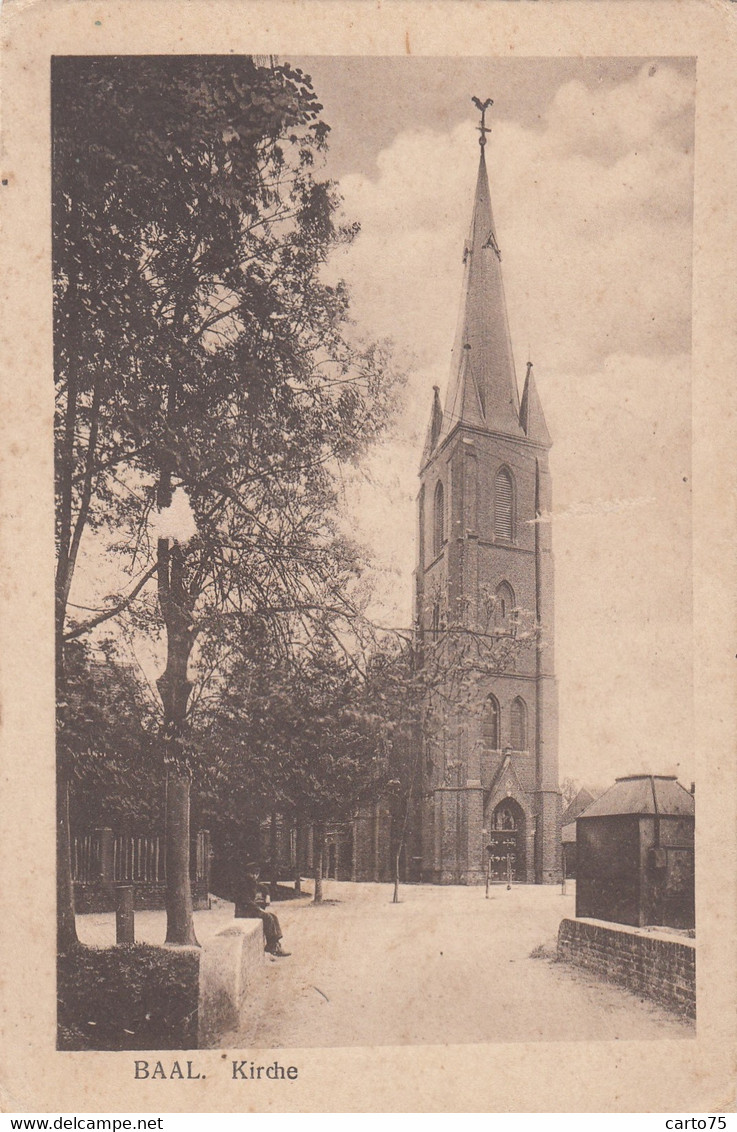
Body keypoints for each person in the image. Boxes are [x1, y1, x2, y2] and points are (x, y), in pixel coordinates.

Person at [233, 861, 290, 957]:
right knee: (268, 917)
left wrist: (267, 895)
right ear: (248, 873)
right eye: (252, 873)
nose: (254, 876)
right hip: (243, 912)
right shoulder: (243, 884)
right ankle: (272, 946)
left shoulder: (252, 882)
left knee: (273, 916)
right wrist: (259, 909)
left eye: (256, 874)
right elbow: (246, 901)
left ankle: (275, 944)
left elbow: (263, 887)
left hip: (250, 910)